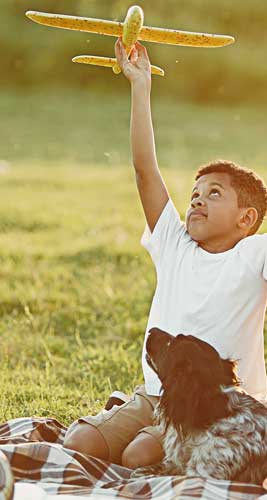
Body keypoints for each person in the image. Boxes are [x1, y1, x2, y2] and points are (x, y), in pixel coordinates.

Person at [63, 37, 267, 473]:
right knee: (79, 440)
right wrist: (140, 85)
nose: (196, 201)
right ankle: (131, 427)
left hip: (217, 409)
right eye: (194, 193)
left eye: (214, 194)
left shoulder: (253, 256)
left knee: (138, 455)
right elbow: (145, 171)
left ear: (247, 218)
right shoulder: (175, 244)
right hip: (158, 396)